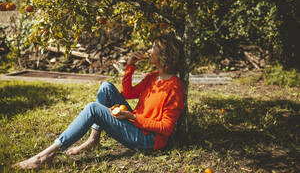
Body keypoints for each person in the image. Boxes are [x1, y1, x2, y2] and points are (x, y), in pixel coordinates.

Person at [12, 33, 185, 169]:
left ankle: (45, 156)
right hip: (136, 124)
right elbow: (128, 92)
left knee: (93, 109)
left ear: (164, 54)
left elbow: (166, 128)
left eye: (152, 48)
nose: (148, 51)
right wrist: (130, 67)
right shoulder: (152, 77)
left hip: (149, 140)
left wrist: (131, 118)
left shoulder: (174, 87)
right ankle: (94, 140)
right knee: (106, 87)